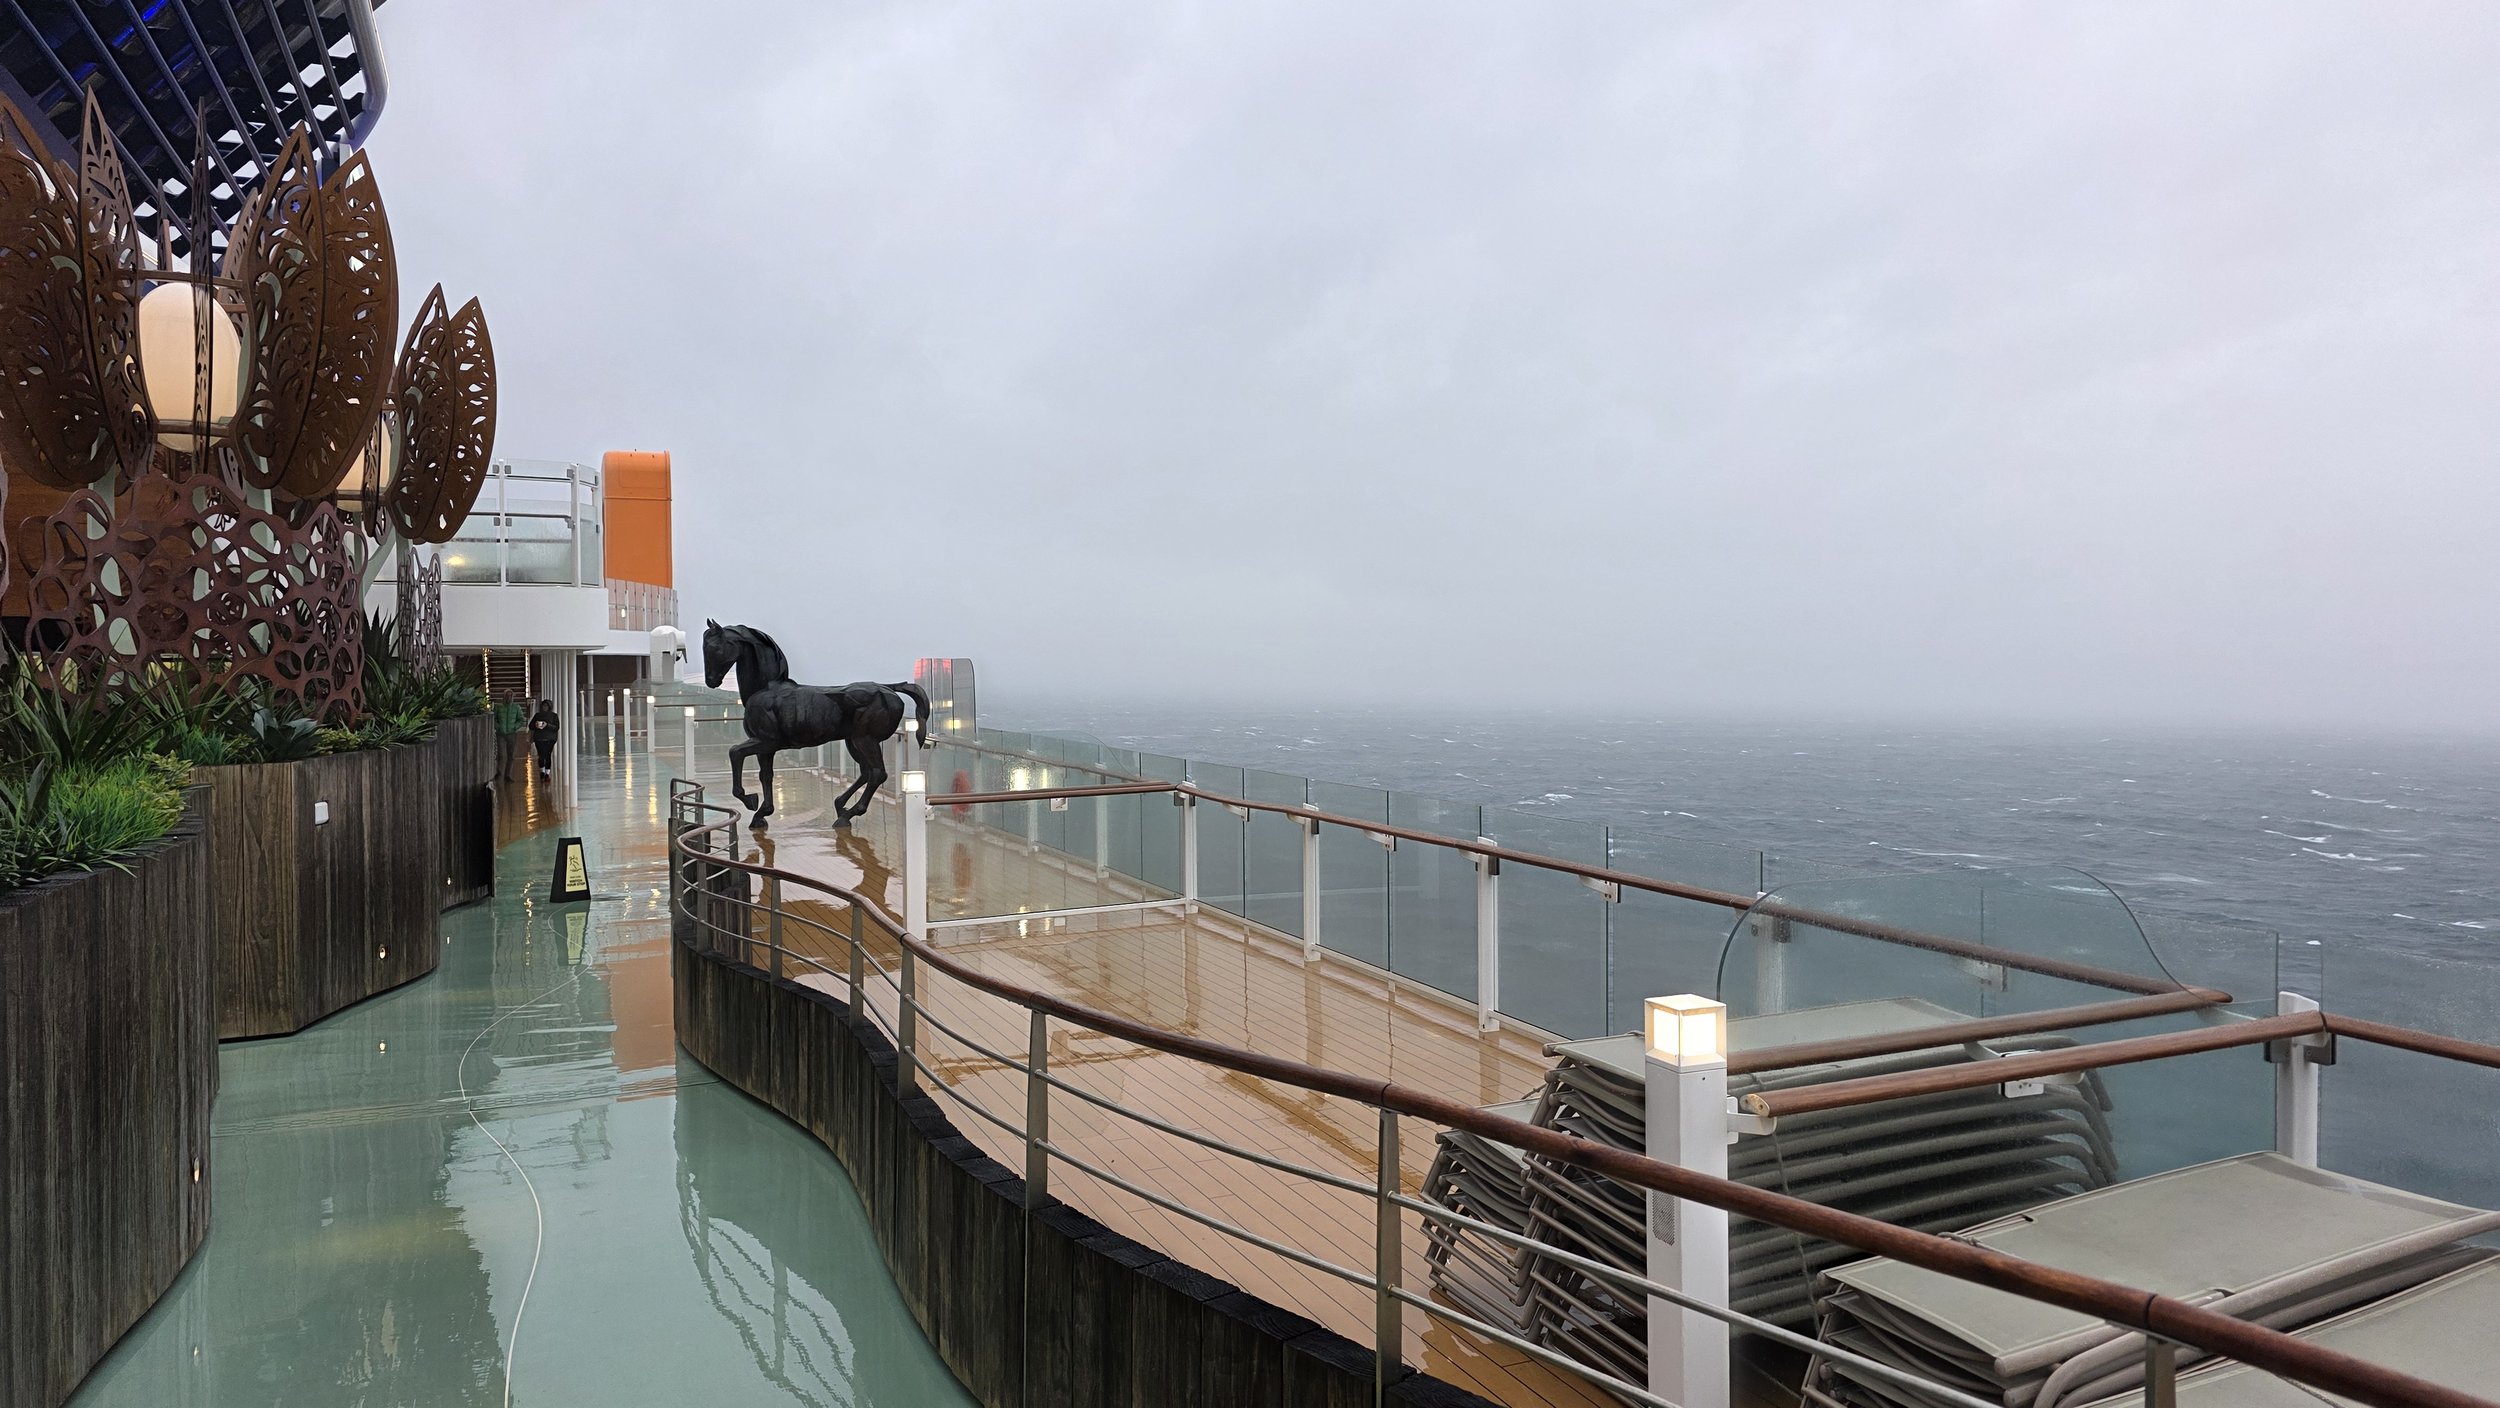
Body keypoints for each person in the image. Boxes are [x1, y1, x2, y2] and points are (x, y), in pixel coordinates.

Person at [492, 690, 526, 781]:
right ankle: (499, 772)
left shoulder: (516, 707)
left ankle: (508, 775)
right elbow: (493, 719)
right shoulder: (498, 707)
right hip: (501, 734)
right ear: (504, 697)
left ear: (513, 697)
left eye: (510, 696)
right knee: (501, 754)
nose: (509, 697)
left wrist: (515, 727)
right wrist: (498, 727)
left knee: (511, 755)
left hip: (512, 734)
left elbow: (521, 720)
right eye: (507, 696)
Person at [529, 699, 560, 778]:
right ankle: (542, 771)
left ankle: (547, 773)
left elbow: (556, 727)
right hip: (539, 738)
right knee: (541, 755)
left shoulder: (554, 716)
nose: (544, 707)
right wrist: (536, 725)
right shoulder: (537, 715)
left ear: (549, 707)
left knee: (548, 755)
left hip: (550, 739)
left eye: (546, 706)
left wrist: (547, 725)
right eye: (543, 706)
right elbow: (530, 726)